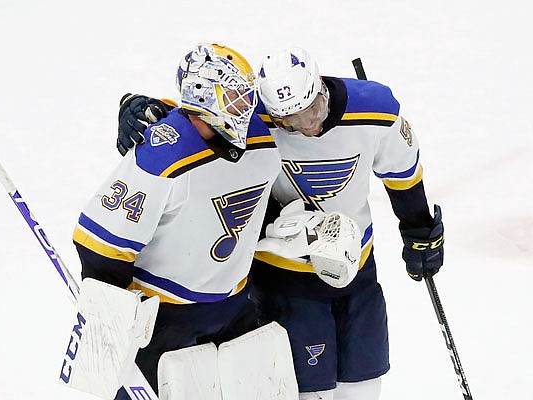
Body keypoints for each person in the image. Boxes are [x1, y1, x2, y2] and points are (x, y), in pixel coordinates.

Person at [115, 47, 445, 400]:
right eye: (291, 123)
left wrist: (418, 228)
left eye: (313, 110)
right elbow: (197, 115)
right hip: (283, 281)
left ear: (320, 86)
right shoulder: (251, 117)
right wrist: (140, 106)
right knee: (307, 393)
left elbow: (402, 171)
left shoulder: (375, 109)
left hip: (358, 274)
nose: (309, 127)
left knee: (363, 388)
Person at [73, 43, 281, 398]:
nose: (246, 106)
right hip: (164, 317)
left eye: (245, 95)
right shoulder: (160, 155)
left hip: (235, 306)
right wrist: (113, 314)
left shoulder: (260, 135)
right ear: (203, 97)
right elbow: (103, 241)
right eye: (233, 96)